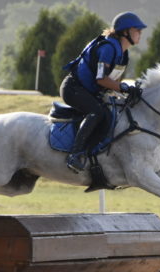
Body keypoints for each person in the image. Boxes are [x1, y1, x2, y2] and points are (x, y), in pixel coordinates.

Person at [60, 11, 146, 173]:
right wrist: (124, 87)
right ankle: (75, 154)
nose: (140, 33)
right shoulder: (108, 48)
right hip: (73, 89)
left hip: (87, 91)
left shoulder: (123, 53)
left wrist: (126, 90)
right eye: (137, 30)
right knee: (97, 112)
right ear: (125, 32)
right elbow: (101, 79)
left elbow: (112, 81)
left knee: (110, 114)